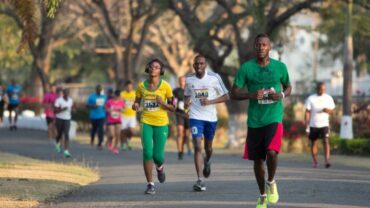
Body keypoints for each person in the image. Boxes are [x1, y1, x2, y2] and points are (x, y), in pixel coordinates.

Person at [230, 33, 292, 208]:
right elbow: (234, 92)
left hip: (274, 117)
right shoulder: (246, 68)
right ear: (254, 47)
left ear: (269, 47)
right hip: (255, 120)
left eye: (264, 45)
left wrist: (280, 95)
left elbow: (288, 86)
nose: (261, 47)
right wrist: (251, 94)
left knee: (272, 152)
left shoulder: (280, 67)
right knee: (258, 161)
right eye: (258, 45)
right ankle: (262, 195)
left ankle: (271, 182)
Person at [184, 54, 229, 192]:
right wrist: (186, 101)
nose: (199, 66)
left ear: (205, 65)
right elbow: (187, 94)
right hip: (195, 117)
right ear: (193, 65)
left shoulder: (214, 77)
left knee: (208, 148)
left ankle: (208, 160)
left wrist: (210, 101)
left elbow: (227, 96)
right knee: (197, 146)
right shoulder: (189, 79)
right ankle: (200, 180)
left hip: (210, 118)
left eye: (201, 64)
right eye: (196, 64)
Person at [132, 58, 175, 195]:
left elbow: (173, 107)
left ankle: (160, 167)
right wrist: (135, 106)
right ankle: (150, 184)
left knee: (158, 156)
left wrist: (163, 103)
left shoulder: (166, 86)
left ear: (161, 71)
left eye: (156, 67)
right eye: (151, 67)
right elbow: (137, 102)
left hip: (161, 123)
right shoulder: (141, 86)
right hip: (146, 122)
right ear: (148, 69)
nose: (153, 69)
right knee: (147, 152)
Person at [304, 82, 335, 168]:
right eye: (321, 89)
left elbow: (332, 111)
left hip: (324, 124)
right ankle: (315, 161)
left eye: (324, 89)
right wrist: (307, 127)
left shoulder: (328, 98)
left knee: (326, 141)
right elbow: (307, 112)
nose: (322, 91)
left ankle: (327, 160)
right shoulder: (311, 98)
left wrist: (327, 110)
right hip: (313, 124)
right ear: (317, 89)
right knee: (314, 143)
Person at [173, 76, 192, 160]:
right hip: (179, 114)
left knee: (187, 135)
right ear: (179, 81)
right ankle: (180, 151)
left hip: (188, 114)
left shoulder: (189, 90)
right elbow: (172, 101)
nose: (182, 82)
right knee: (180, 132)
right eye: (181, 80)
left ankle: (187, 148)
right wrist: (173, 104)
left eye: (184, 80)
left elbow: (193, 100)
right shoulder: (175, 91)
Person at [86, 85, 107, 150]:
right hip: (94, 116)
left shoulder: (104, 97)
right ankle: (92, 139)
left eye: (100, 90)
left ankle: (100, 143)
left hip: (102, 115)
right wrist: (93, 106)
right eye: (98, 90)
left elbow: (107, 104)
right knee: (94, 129)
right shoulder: (92, 96)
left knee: (100, 129)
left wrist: (106, 108)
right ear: (96, 90)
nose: (99, 91)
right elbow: (87, 105)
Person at [54, 88, 74, 158]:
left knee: (66, 134)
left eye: (68, 92)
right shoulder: (59, 100)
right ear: (63, 93)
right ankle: (57, 143)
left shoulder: (70, 100)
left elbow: (71, 108)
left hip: (67, 119)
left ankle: (66, 151)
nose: (66, 94)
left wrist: (72, 111)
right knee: (59, 134)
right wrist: (62, 109)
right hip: (59, 118)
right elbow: (55, 111)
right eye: (65, 92)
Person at [105, 89, 125, 155]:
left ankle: (115, 148)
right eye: (116, 95)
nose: (117, 97)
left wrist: (121, 110)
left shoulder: (121, 102)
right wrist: (109, 110)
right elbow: (105, 108)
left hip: (118, 120)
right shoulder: (110, 102)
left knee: (117, 135)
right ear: (114, 95)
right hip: (111, 120)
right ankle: (110, 142)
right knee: (112, 134)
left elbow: (124, 109)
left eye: (118, 96)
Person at [120, 80, 137, 151]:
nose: (129, 88)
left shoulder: (135, 93)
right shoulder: (122, 94)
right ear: (125, 87)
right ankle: (123, 143)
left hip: (132, 115)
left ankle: (129, 140)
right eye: (128, 87)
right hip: (123, 115)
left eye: (130, 87)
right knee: (123, 131)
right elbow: (119, 103)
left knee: (132, 131)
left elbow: (137, 103)